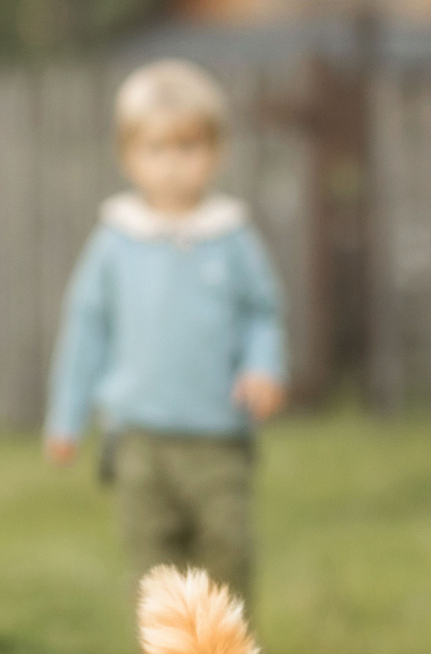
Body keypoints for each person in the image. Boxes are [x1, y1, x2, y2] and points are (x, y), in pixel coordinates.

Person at [44, 60, 287, 607]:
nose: (173, 165)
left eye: (189, 148)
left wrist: (263, 366)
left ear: (217, 153)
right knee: (155, 571)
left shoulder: (231, 236)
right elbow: (86, 329)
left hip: (218, 438)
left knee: (228, 558)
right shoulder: (116, 241)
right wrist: (66, 418)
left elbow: (262, 312)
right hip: (138, 440)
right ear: (128, 157)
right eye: (156, 150)